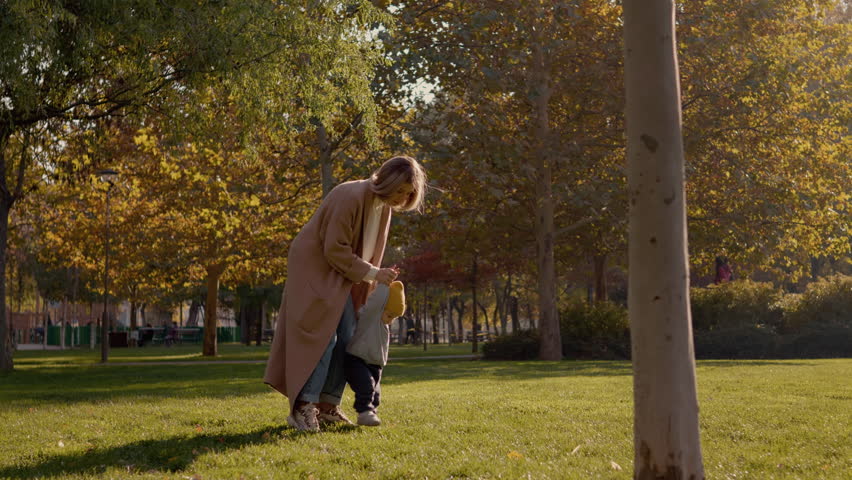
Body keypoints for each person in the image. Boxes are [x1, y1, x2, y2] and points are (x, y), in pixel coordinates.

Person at [263, 156, 427, 432]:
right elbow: (334, 248)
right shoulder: (350, 195)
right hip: (316, 269)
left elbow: (366, 251)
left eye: (407, 193)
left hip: (346, 275)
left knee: (349, 340)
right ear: (386, 179)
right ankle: (304, 406)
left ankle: (328, 405)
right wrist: (374, 273)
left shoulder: (384, 207)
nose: (401, 197)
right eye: (399, 190)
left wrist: (374, 282)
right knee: (325, 336)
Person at [345, 281, 406, 426]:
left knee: (376, 393)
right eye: (390, 315)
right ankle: (364, 412)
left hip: (374, 364)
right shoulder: (371, 316)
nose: (390, 321)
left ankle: (371, 412)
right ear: (381, 308)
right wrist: (384, 284)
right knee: (366, 386)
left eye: (394, 318)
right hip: (357, 359)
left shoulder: (384, 325)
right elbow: (377, 299)